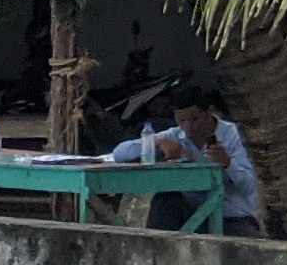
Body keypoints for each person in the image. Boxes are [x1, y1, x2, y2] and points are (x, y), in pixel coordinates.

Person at [105, 83, 264, 237]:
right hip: (192, 215)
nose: (188, 126)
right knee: (165, 201)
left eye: (194, 120)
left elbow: (250, 186)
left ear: (208, 114)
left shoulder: (234, 135)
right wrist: (156, 142)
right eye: (182, 121)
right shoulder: (175, 135)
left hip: (231, 216)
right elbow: (120, 153)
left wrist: (228, 163)